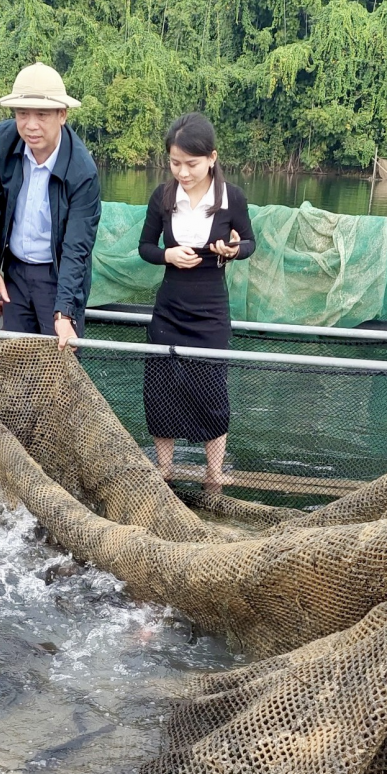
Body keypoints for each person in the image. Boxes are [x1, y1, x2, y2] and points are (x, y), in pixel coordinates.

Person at [137, 113, 255, 493]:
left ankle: (214, 472)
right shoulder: (162, 196)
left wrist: (233, 250)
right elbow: (145, 247)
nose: (183, 172)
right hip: (170, 305)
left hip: (210, 308)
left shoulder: (231, 197)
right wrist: (167, 256)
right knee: (161, 385)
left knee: (212, 386)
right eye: (175, 163)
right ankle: (165, 468)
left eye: (191, 163)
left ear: (212, 158)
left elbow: (250, 242)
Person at [0, 63, 102, 349]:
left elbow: (77, 247)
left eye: (42, 115)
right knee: (15, 361)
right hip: (15, 273)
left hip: (57, 275)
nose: (30, 125)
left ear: (62, 115)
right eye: (22, 114)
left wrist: (64, 311)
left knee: (59, 366)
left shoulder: (83, 171)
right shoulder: (2, 142)